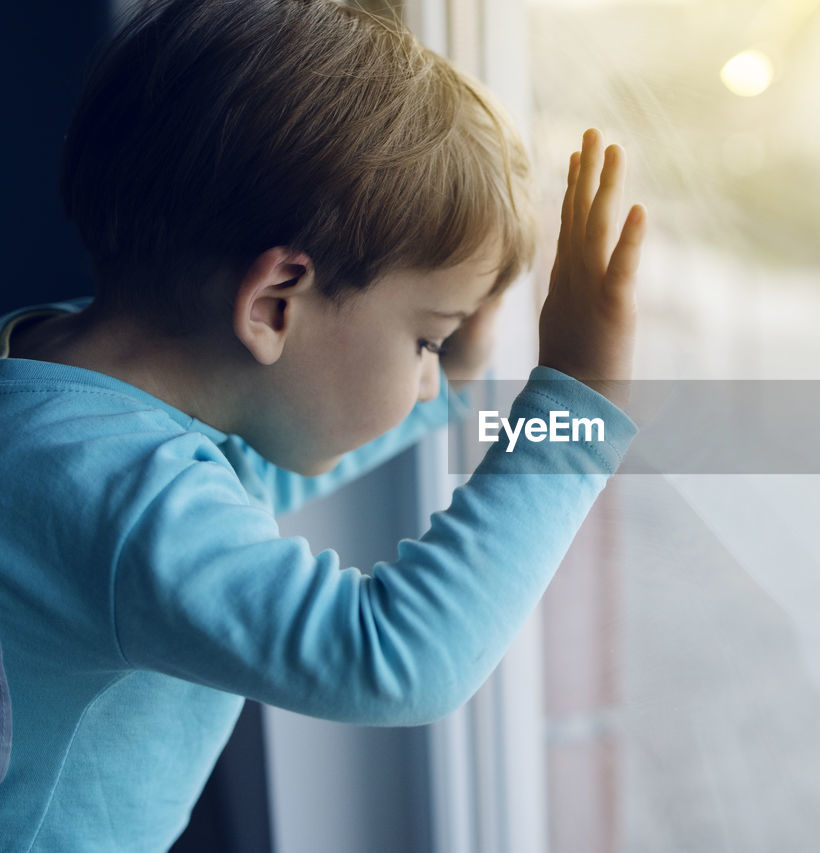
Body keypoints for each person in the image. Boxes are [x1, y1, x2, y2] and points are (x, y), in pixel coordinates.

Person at [0, 0, 647, 849]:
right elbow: (394, 658)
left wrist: (451, 379)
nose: (421, 382)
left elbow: (233, 472)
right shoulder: (116, 497)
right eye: (426, 338)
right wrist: (574, 407)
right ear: (274, 302)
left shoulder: (50, 369)